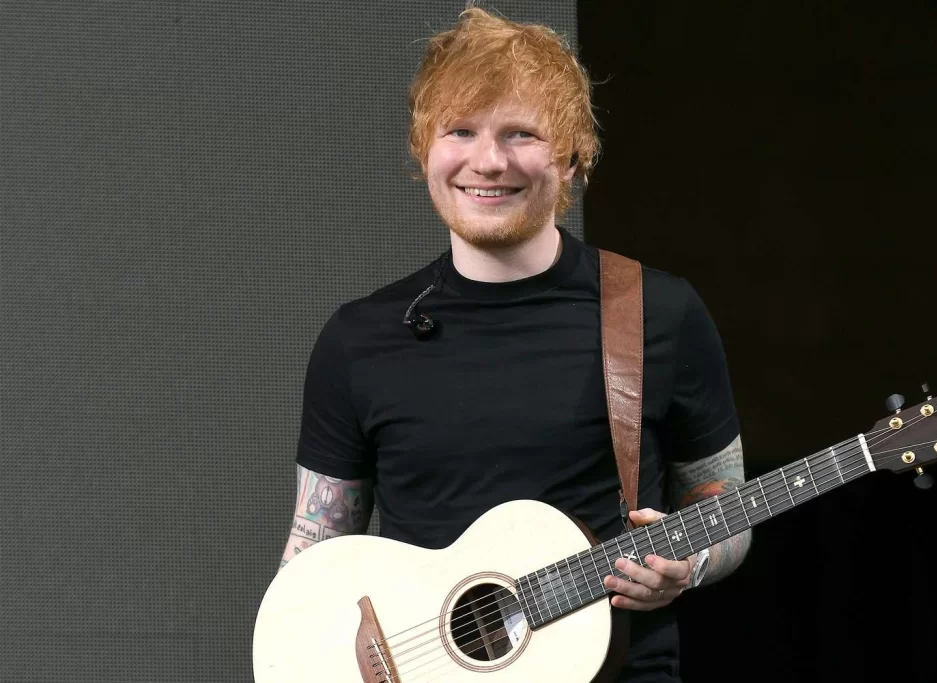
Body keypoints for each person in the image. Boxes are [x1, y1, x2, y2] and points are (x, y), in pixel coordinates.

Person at [278, 7, 751, 682]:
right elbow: (313, 551)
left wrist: (692, 561)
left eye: (520, 134)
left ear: (571, 157)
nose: (488, 161)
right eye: (460, 131)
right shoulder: (358, 338)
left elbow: (726, 507)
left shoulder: (657, 312)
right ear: (424, 149)